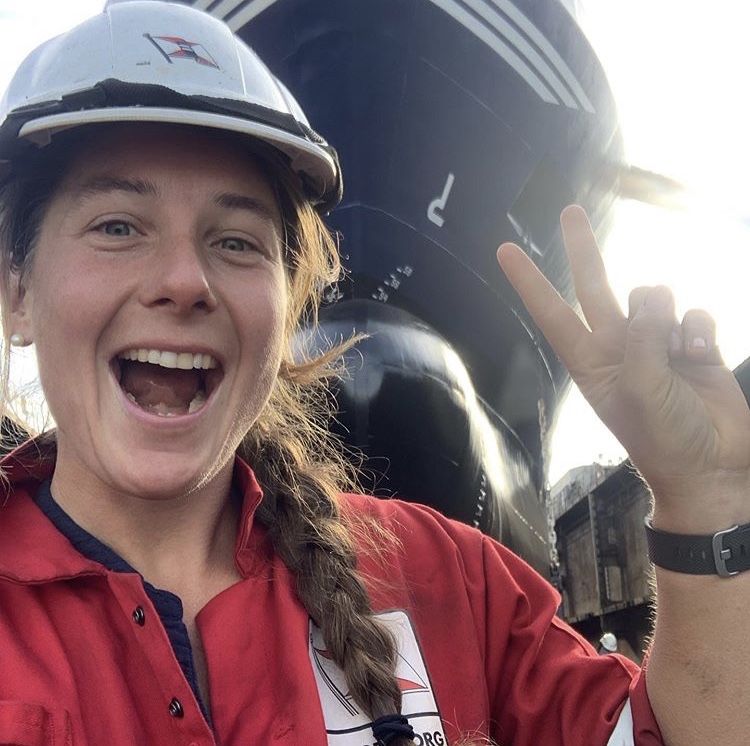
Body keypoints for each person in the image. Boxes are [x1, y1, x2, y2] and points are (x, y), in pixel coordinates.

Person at [0, 2, 746, 745]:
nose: (184, 281)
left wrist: (703, 500)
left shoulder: (450, 581)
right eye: (118, 227)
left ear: (288, 304)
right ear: (17, 292)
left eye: (235, 241)